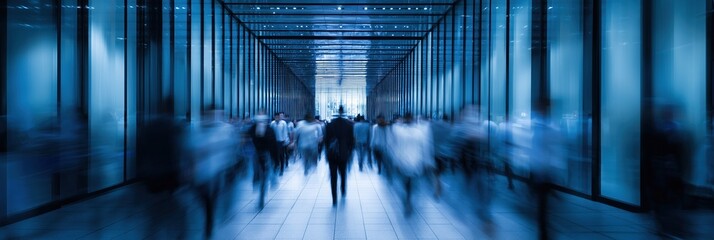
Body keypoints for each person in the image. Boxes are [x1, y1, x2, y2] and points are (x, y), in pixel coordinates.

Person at [324, 106, 355, 206]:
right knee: (343, 173)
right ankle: (343, 190)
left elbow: (326, 141)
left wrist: (326, 153)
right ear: (344, 111)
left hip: (332, 154)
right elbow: (352, 141)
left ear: (338, 111)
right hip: (343, 153)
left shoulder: (330, 125)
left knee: (333, 176)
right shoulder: (349, 125)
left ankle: (334, 198)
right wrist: (350, 152)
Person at [249, 110, 278, 209]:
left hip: (266, 155)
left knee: (264, 175)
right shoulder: (253, 129)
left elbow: (274, 145)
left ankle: (262, 195)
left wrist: (275, 159)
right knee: (257, 172)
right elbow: (247, 139)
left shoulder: (269, 130)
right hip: (257, 154)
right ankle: (257, 180)